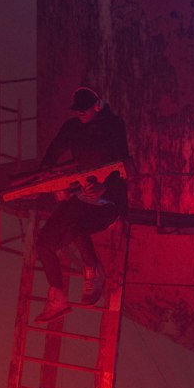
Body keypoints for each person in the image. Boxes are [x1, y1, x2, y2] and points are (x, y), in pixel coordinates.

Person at [34, 86, 130, 323]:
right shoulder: (72, 127)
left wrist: (105, 187)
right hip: (82, 195)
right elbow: (53, 152)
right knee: (44, 244)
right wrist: (51, 179)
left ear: (97, 106)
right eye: (77, 110)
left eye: (84, 110)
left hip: (109, 200)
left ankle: (93, 271)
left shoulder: (112, 127)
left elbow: (125, 164)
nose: (80, 114)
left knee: (76, 225)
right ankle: (57, 298)